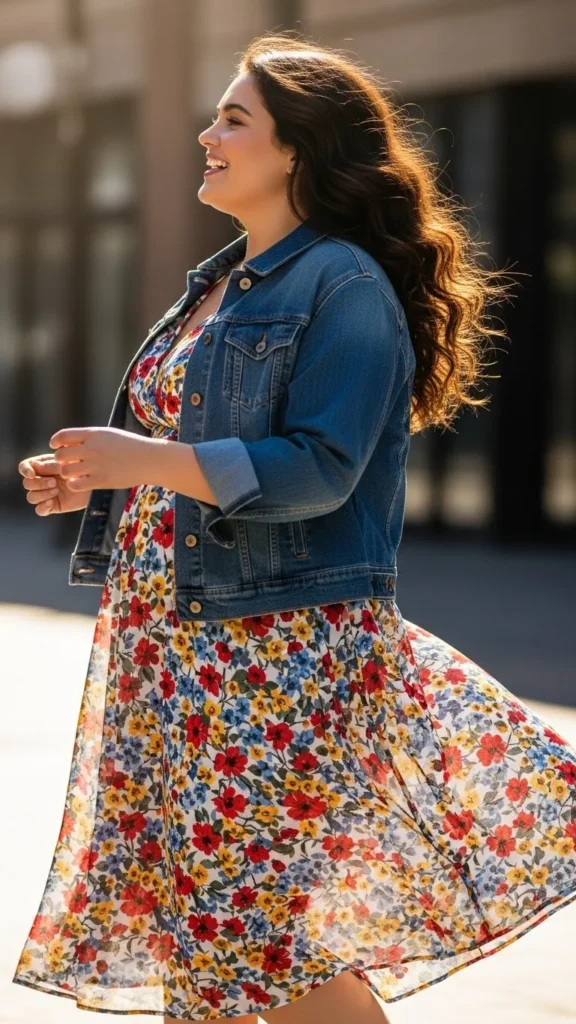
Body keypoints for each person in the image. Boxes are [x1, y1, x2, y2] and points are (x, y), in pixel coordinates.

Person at [12, 31, 576, 1024]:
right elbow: (190, 454)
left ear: (298, 153)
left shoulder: (344, 285)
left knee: (263, 937)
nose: (207, 134)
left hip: (275, 653)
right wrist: (101, 481)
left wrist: (145, 459)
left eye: (235, 119)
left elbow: (319, 466)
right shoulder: (222, 281)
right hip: (174, 645)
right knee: (208, 928)